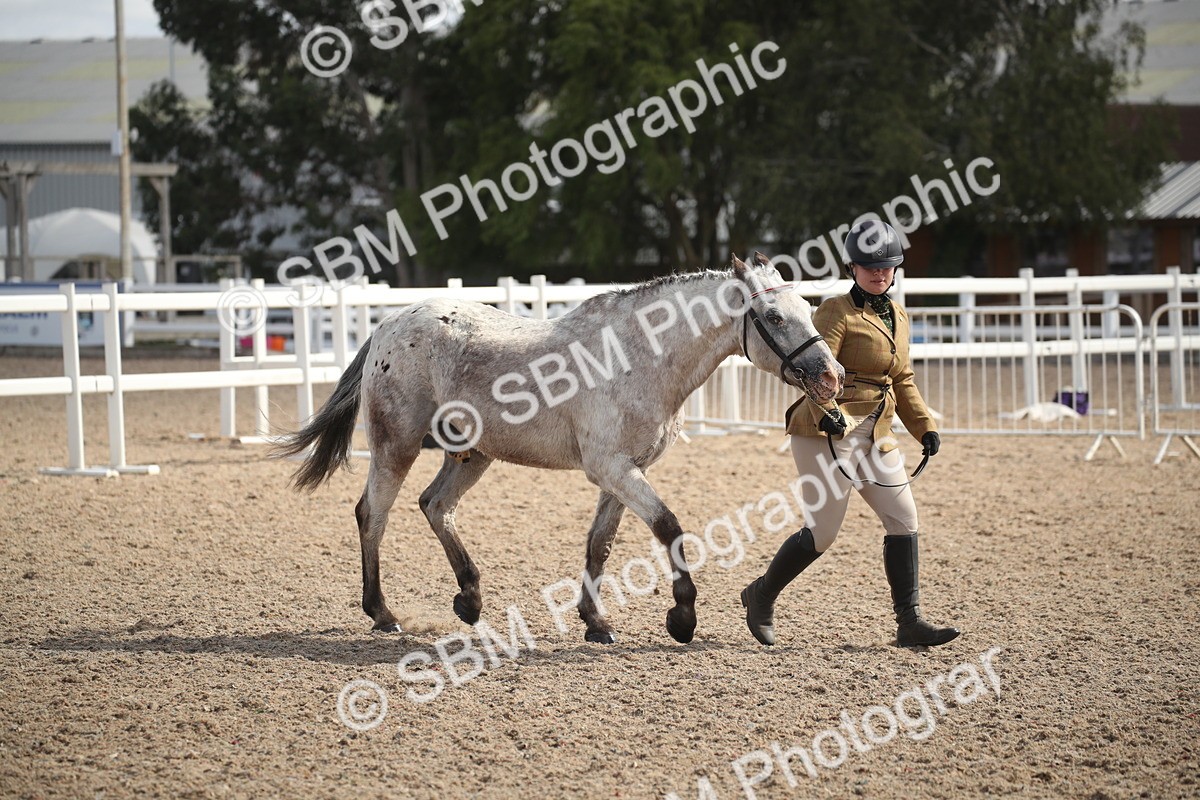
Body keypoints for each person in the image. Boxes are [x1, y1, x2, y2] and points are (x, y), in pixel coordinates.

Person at [740, 219, 960, 648]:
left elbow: (902, 378)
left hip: (876, 429)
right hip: (825, 432)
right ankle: (761, 596)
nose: (879, 274)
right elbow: (816, 372)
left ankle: (909, 621)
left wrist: (924, 426)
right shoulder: (835, 311)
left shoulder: (897, 314)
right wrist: (829, 413)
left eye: (887, 267)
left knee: (903, 520)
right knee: (823, 532)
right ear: (852, 268)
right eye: (869, 267)